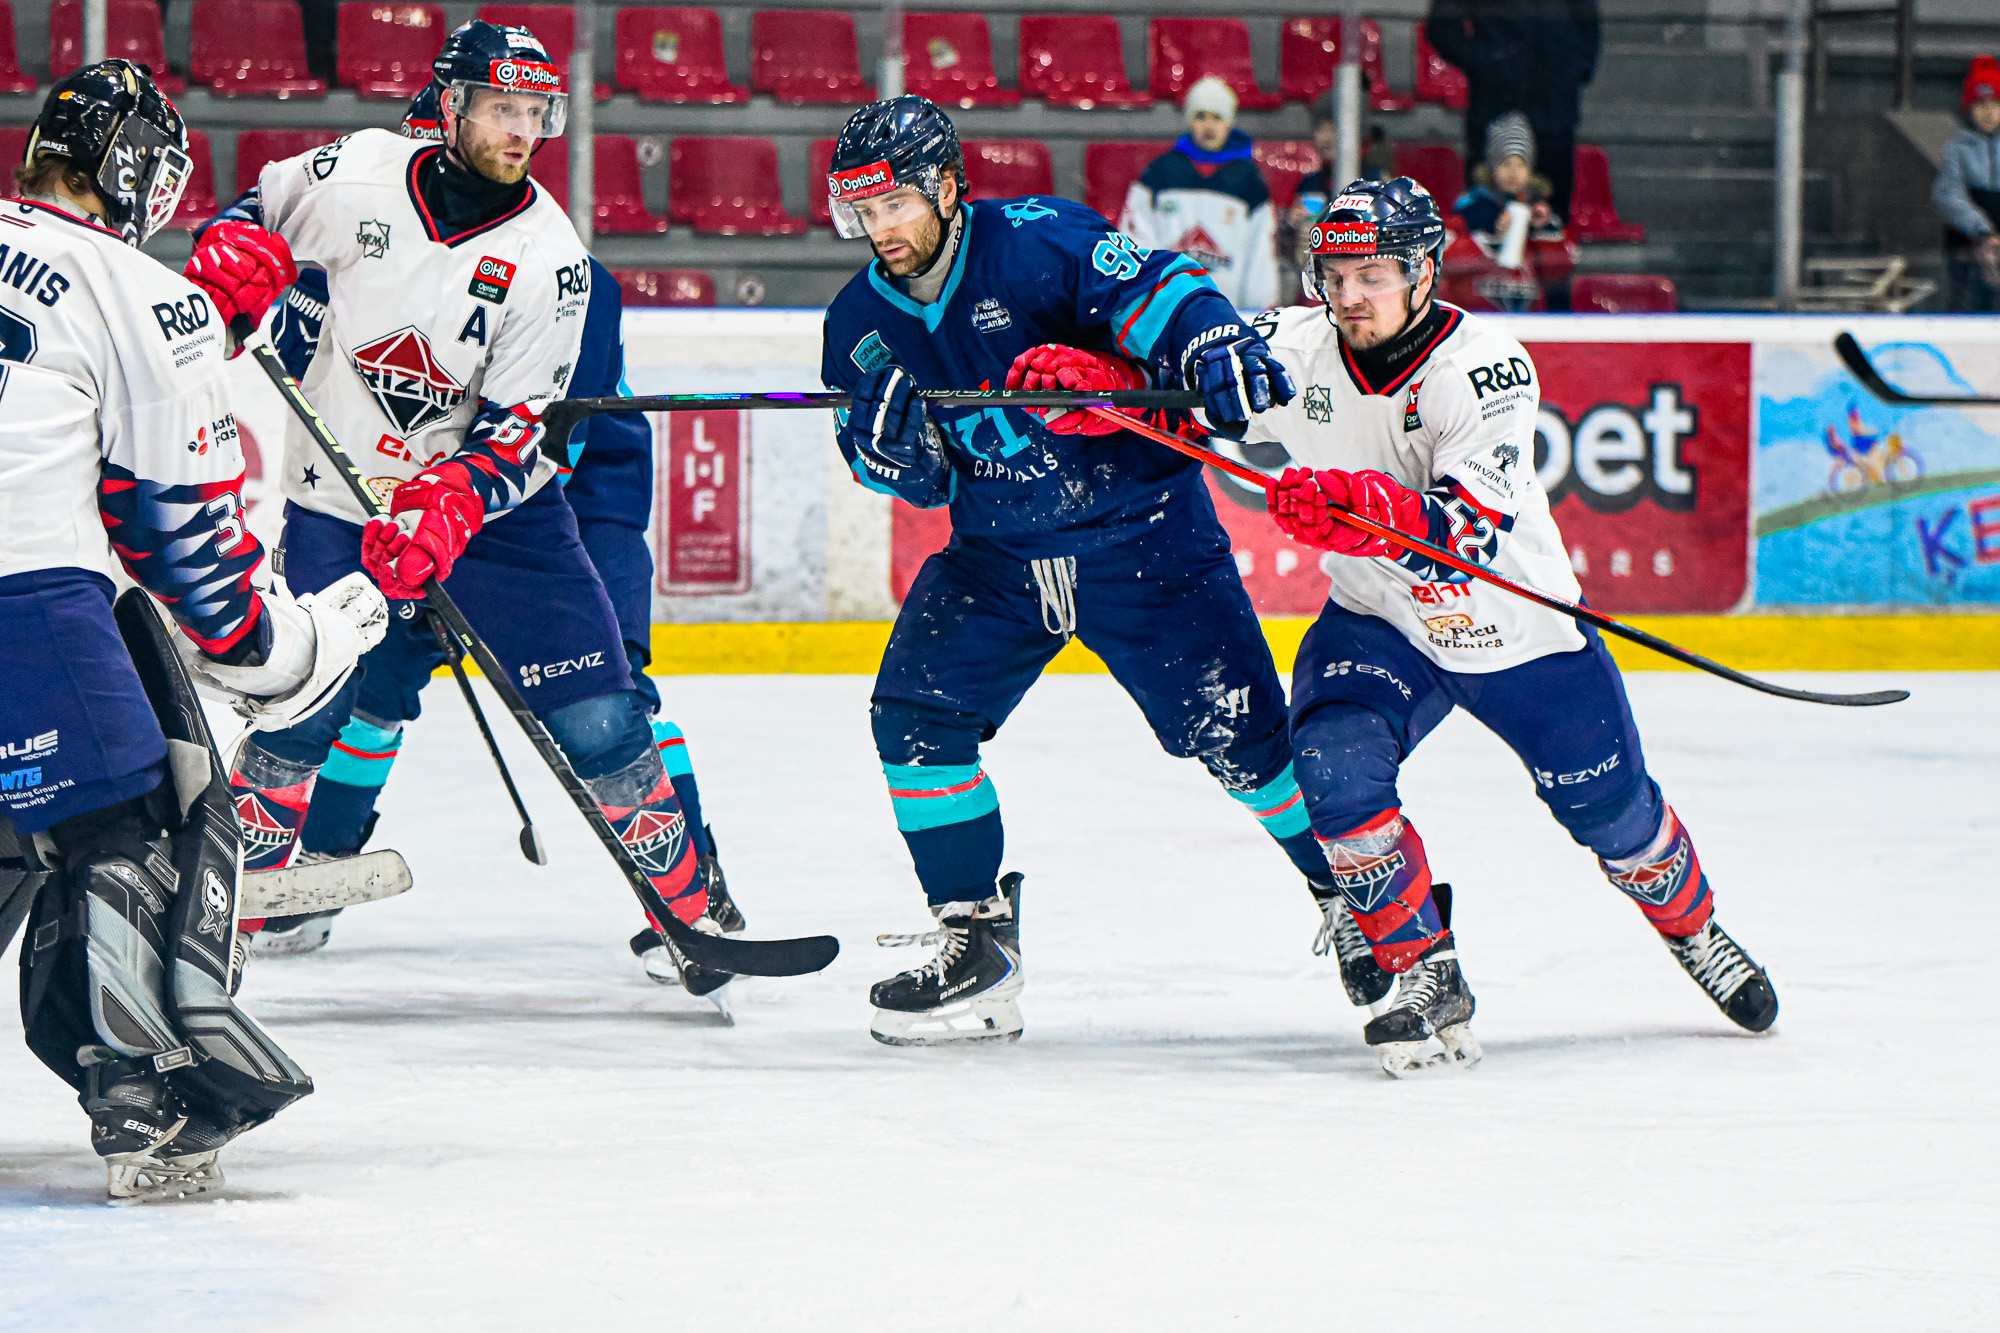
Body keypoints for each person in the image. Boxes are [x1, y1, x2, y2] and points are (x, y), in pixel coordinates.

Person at [179, 21, 736, 1001]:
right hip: (343, 505)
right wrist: (229, 255)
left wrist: (453, 497)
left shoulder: (553, 262)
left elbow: (527, 431)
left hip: (514, 521)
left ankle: (692, 907)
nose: (521, 130)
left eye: (535, 112)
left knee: (605, 713)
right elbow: (252, 215)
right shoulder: (358, 174)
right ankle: (225, 908)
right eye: (501, 108)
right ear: (449, 108)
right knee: (305, 703)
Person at [818, 95, 1389, 1047]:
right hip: (1000, 557)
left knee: (1246, 743)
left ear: (947, 188)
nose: (881, 230)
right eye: (863, 211)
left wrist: (1208, 338)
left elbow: (1164, 289)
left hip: (1144, 540)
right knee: (914, 719)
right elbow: (909, 478)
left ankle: (1357, 901)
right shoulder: (857, 322)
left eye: (896, 205)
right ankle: (977, 942)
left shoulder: (1036, 240)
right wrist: (892, 457)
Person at [1242, 178, 1778, 1075]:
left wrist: (1368, 507)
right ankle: (1424, 967)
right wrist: (1104, 381)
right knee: (1332, 768)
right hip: (1380, 617)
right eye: (1334, 276)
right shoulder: (1298, 346)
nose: (1348, 296)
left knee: (1615, 818)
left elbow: (1466, 531)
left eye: (1372, 275)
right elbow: (1185, 365)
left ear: (1423, 274)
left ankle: (1693, 927)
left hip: (1515, 631)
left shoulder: (1485, 365)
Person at [0, 60, 385, 1200]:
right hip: (24, 596)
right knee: (133, 823)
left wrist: (202, 334)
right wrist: (300, 650)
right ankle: (145, 1094)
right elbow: (183, 548)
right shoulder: (139, 289)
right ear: (134, 172)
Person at [1425, 0, 1600, 222]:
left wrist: (1573, 69)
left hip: (1553, 104)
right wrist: (1484, 62)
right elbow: (1442, 25)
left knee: (1551, 219)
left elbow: (1588, 20)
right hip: (1496, 104)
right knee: (1487, 218)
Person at [1119, 75, 1279, 310]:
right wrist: (1145, 297)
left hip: (1229, 311)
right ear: (1189, 119)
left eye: (1217, 117)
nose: (1209, 126)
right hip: (1167, 307)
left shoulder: (1250, 182)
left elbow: (1260, 253)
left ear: (1229, 122)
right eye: (1201, 116)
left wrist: (1259, 307)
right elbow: (1137, 236)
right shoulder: (1159, 173)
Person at [1934, 54, 2000, 313]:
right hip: (1968, 248)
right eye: (1980, 105)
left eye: (1995, 104)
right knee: (1969, 303)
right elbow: (1948, 193)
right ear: (1969, 110)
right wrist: (1982, 231)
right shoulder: (1957, 150)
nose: (1989, 112)